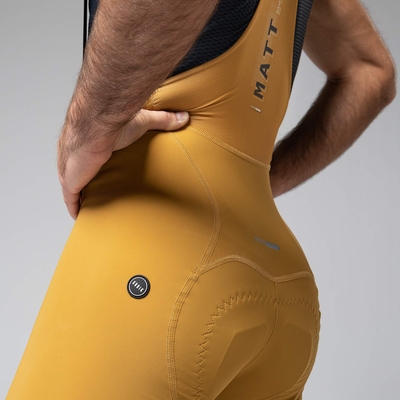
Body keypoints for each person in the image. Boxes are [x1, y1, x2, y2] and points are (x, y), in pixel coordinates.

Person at [7, 0, 396, 399]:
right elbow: (372, 72)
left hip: (160, 249)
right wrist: (251, 183)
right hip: (283, 284)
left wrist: (89, 126)